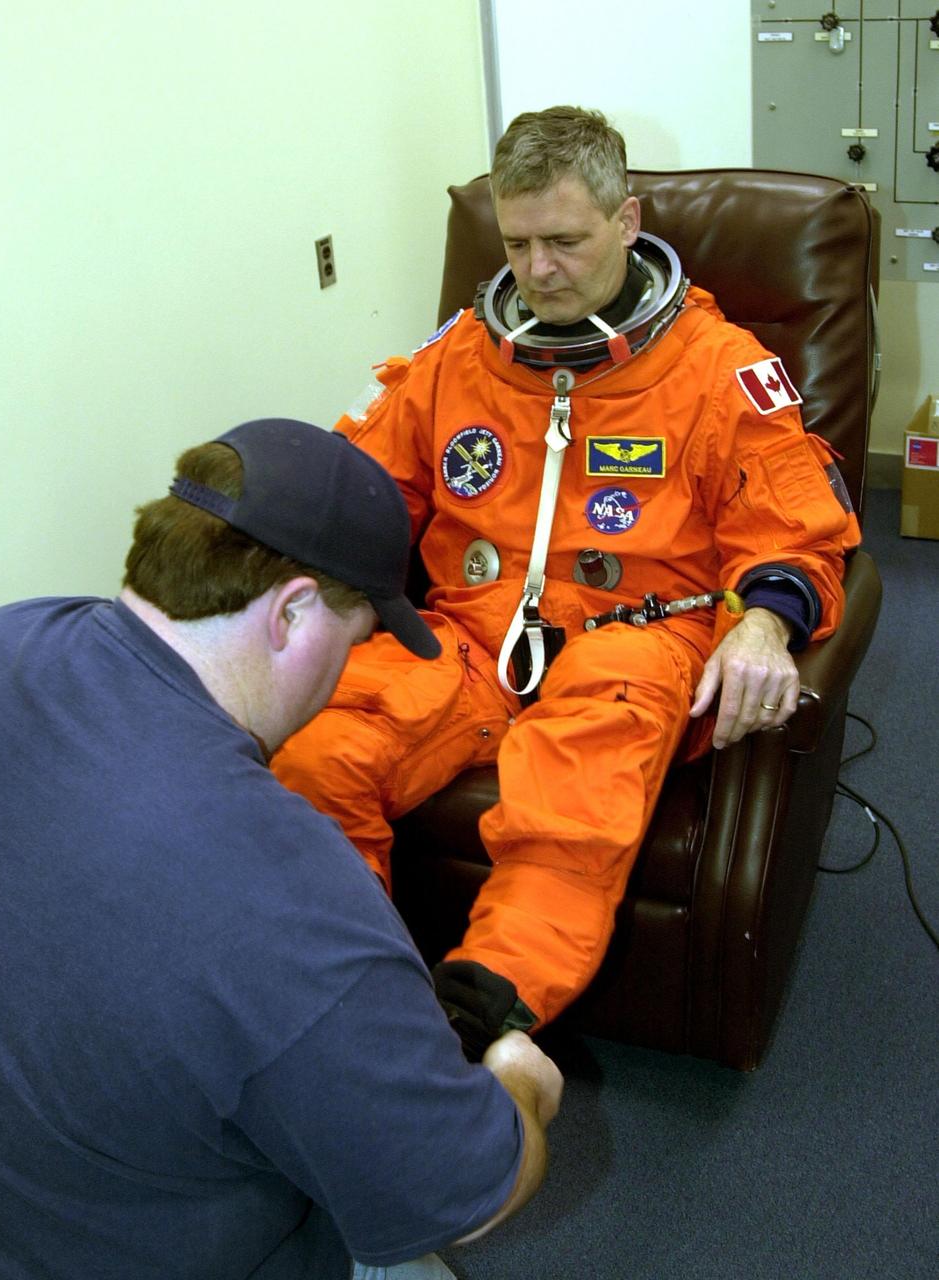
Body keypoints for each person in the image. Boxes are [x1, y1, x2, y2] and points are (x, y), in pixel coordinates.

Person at [271, 106, 861, 1061]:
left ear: (626, 222)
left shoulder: (718, 369)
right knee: (318, 752)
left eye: (564, 242)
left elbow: (795, 524)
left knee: (578, 778)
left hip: (637, 636)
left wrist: (763, 624)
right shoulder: (456, 357)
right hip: (469, 634)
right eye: (516, 244)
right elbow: (359, 491)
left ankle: (487, 1003)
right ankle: (346, 991)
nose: (536, 270)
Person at [0, 418, 563, 1280]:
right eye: (357, 638)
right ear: (292, 611)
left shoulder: (14, 632)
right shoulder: (286, 890)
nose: (342, 676)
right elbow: (470, 1194)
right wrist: (517, 1083)